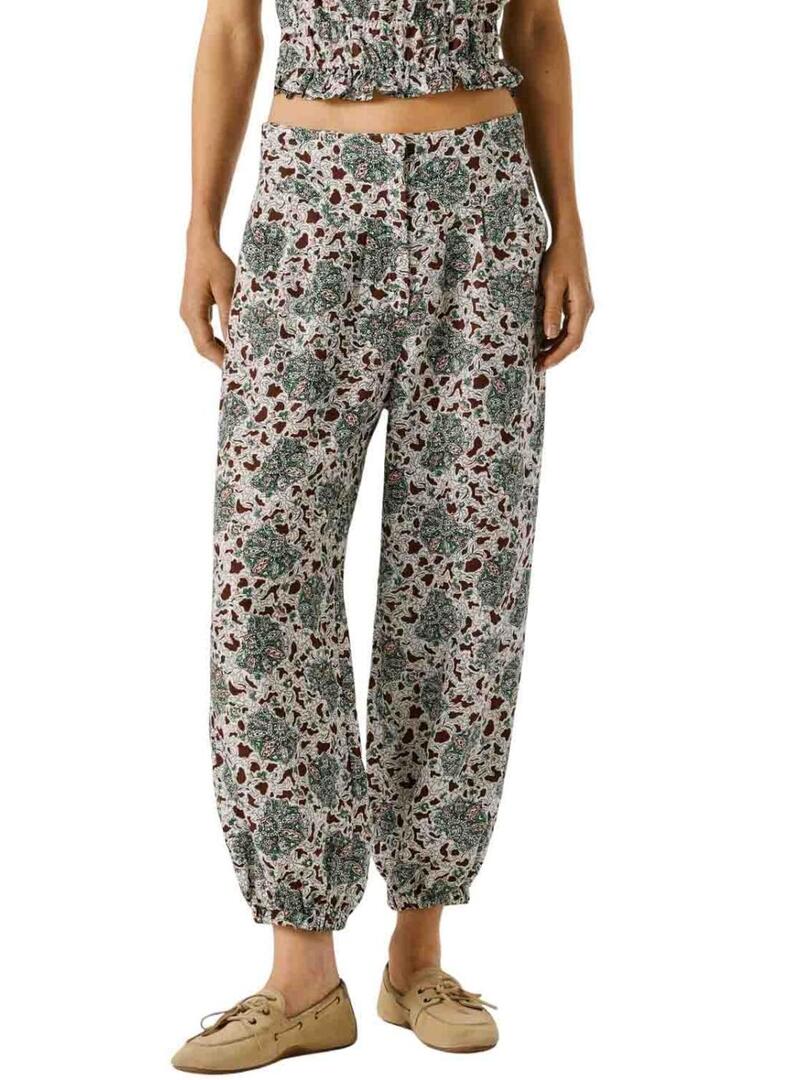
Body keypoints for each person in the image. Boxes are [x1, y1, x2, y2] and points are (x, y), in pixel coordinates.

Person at [175, 0, 593, 1068]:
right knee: (264, 572)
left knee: (464, 573)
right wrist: (200, 226)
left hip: (481, 207)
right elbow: (232, 29)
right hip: (309, 203)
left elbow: (535, 30)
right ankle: (302, 975)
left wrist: (568, 226)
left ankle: (418, 954)